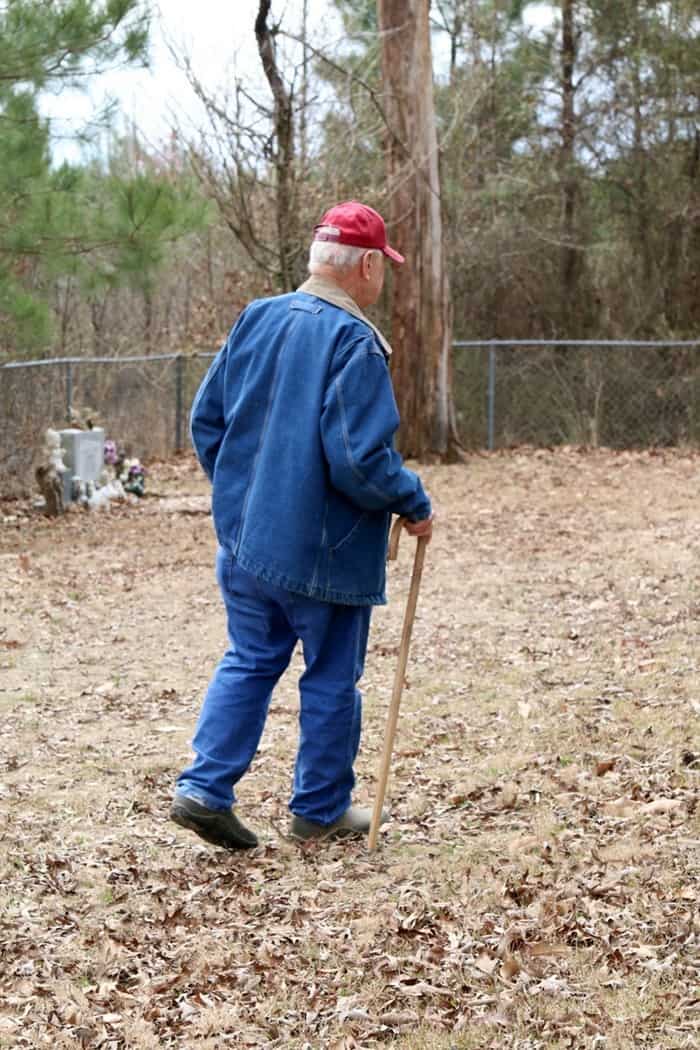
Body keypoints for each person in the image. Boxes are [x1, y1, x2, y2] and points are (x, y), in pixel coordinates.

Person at [171, 200, 433, 849]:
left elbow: (208, 423)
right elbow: (359, 459)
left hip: (245, 544)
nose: (384, 279)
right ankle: (318, 810)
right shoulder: (355, 342)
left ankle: (204, 789)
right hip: (324, 555)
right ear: (367, 265)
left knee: (251, 658)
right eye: (384, 267)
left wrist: (244, 500)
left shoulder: (257, 318)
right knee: (331, 678)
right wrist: (413, 499)